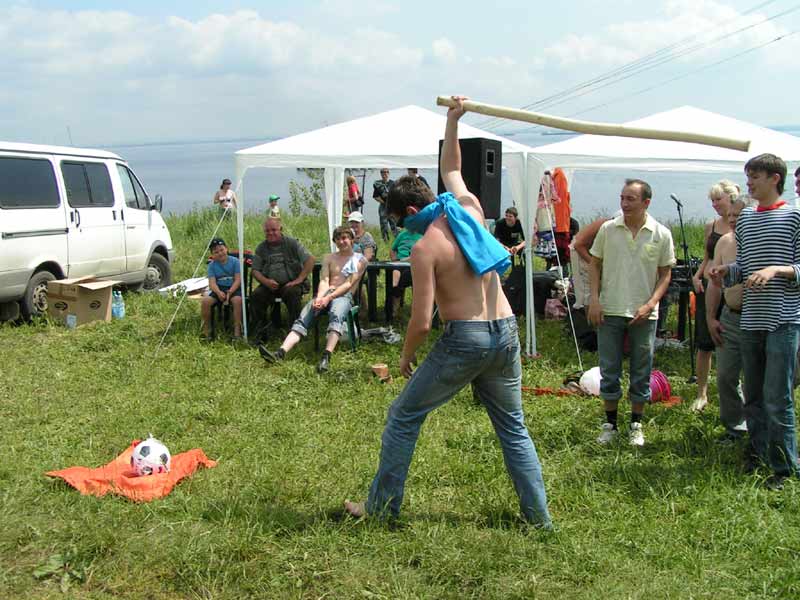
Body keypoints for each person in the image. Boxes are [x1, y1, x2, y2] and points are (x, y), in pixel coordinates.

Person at [344, 96, 551, 528]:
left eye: (401, 222)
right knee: (513, 428)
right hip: (505, 331)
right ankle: (539, 520)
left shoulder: (426, 247)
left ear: (411, 213)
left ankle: (381, 509)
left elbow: (421, 322)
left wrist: (405, 357)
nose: (403, 230)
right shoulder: (471, 209)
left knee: (403, 416)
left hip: (467, 339)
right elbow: (452, 168)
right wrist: (453, 120)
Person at [709, 153, 800, 489]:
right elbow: (745, 267)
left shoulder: (794, 217)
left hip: (783, 320)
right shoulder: (746, 219)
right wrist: (726, 272)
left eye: (755, 177)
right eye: (747, 177)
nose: (748, 183)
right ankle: (758, 452)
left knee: (778, 396)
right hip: (751, 319)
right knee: (753, 394)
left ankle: (785, 467)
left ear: (775, 178)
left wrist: (776, 270)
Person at [588, 179, 675, 447]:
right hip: (610, 308)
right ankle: (610, 424)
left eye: (631, 199)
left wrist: (651, 304)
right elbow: (594, 263)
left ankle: (636, 424)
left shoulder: (661, 233)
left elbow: (665, 274)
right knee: (609, 368)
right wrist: (594, 299)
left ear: (646, 202)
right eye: (622, 198)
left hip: (644, 312)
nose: (624, 204)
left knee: (641, 369)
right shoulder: (608, 229)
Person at [259, 226, 366, 373]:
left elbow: (348, 283)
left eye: (344, 238)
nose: (341, 242)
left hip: (344, 295)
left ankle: (326, 356)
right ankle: (280, 353)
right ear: (334, 241)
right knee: (303, 318)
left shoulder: (359, 259)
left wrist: (329, 298)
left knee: (336, 315)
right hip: (326, 293)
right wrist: (320, 298)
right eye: (338, 239)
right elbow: (324, 280)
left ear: (351, 240)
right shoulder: (329, 258)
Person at [689, 180, 738, 413]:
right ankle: (702, 393)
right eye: (712, 200)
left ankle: (733, 389)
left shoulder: (742, 223)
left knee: (730, 339)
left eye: (718, 199)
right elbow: (707, 257)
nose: (715, 204)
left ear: (731, 198)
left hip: (732, 287)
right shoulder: (711, 225)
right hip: (709, 285)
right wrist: (697, 276)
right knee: (705, 341)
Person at [705, 196, 750, 442]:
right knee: (725, 376)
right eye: (730, 215)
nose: (732, 220)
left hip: (758, 319)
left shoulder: (760, 241)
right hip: (730, 318)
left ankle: (759, 428)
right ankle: (735, 427)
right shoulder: (724, 242)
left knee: (757, 379)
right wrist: (710, 317)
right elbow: (714, 284)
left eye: (738, 215)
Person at [250, 218, 315, 339]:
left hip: (291, 283)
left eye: (274, 230)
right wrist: (266, 282)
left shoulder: (292, 243)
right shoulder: (261, 248)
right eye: (267, 231)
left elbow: (310, 259)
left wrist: (299, 279)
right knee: (256, 295)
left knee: (292, 293)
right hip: (269, 285)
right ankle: (261, 333)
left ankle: (295, 332)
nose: (270, 233)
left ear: (281, 229)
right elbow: (255, 270)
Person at [201, 238, 242, 341]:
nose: (220, 253)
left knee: (237, 301)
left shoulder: (235, 262)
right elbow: (212, 283)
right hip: (218, 289)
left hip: (233, 288)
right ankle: (206, 331)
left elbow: (238, 280)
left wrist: (230, 292)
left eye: (222, 250)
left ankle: (237, 332)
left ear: (226, 249)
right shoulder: (212, 265)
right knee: (205, 301)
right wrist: (218, 292)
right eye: (216, 252)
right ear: (212, 254)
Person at [570, 217, 609, 310]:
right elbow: (578, 245)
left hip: (594, 254)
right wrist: (594, 265)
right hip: (580, 252)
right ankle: (588, 315)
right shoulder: (604, 224)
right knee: (587, 291)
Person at [389, 226, 422, 315]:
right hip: (400, 263)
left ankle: (417, 310)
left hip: (415, 265)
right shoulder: (402, 234)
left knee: (415, 277)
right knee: (394, 277)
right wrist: (394, 260)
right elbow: (392, 249)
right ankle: (393, 310)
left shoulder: (423, 235)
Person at [373, 168, 398, 242]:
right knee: (384, 225)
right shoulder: (378, 184)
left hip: (392, 207)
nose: (385, 174)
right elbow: (375, 196)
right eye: (383, 172)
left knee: (394, 225)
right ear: (381, 174)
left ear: (389, 173)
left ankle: (397, 240)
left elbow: (398, 195)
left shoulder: (393, 183)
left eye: (387, 172)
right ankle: (386, 241)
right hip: (383, 207)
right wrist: (383, 202)